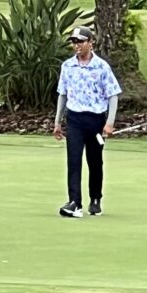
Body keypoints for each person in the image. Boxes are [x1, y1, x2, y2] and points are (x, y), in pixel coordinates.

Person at [52, 26, 122, 219]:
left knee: (94, 161)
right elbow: (62, 94)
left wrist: (110, 122)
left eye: (80, 42)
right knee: (73, 161)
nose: (77, 46)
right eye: (74, 42)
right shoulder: (67, 66)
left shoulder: (101, 67)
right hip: (74, 119)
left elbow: (113, 95)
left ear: (91, 43)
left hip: (95, 120)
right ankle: (75, 202)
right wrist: (57, 121)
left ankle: (96, 199)